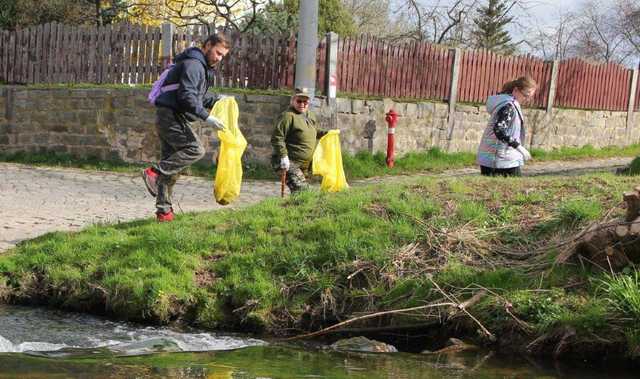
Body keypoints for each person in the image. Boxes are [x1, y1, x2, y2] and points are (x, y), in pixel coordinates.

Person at [142, 33, 231, 222]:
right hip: (171, 116)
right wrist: (207, 117)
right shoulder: (194, 65)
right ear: (207, 45)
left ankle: (164, 212)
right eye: (217, 53)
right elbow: (187, 97)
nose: (219, 58)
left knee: (171, 165)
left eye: (223, 55)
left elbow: (194, 95)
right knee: (195, 149)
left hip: (169, 114)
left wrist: (217, 99)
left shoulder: (198, 65)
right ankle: (154, 172)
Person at [476, 76, 537, 177]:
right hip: (498, 160)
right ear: (516, 90)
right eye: (526, 95)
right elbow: (499, 130)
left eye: (530, 97)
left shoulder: (509, 104)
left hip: (498, 158)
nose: (527, 100)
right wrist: (519, 147)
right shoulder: (508, 106)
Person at [271, 88, 327, 193]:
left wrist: (328, 133)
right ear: (292, 101)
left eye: (305, 101)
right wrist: (283, 156)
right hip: (290, 163)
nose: (302, 104)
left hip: (305, 165)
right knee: (303, 191)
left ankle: (292, 208)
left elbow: (314, 131)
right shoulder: (287, 116)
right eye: (299, 101)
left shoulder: (310, 115)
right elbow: (277, 137)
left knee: (299, 194)